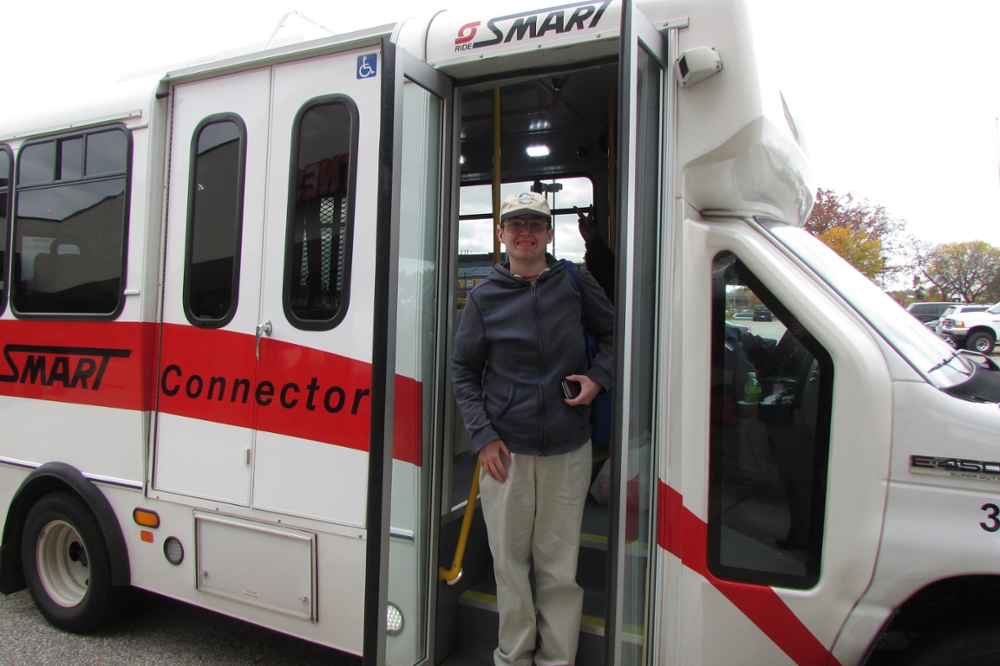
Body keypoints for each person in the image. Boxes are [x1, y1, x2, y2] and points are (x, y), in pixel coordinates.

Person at [451, 192, 614, 666]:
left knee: (559, 568)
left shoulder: (577, 283)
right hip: (507, 456)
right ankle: (514, 657)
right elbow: (463, 371)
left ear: (548, 234)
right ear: (501, 234)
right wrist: (483, 435)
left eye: (536, 225)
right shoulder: (483, 299)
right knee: (509, 565)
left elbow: (612, 336)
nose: (526, 232)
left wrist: (598, 378)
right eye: (516, 224)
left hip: (569, 448)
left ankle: (558, 660)